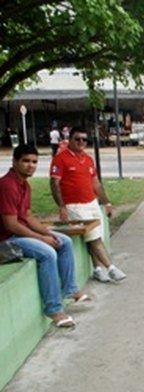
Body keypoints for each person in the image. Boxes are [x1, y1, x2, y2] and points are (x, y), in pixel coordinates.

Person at [0, 144, 92, 328]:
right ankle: (54, 309)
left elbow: (27, 216)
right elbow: (11, 224)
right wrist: (41, 239)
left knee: (63, 241)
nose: (30, 165)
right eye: (25, 161)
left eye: (34, 162)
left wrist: (47, 233)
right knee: (47, 253)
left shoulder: (24, 185)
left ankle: (70, 290)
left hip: (18, 233)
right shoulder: (7, 185)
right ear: (15, 162)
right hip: (6, 240)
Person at [50, 126, 127, 283]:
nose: (81, 142)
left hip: (91, 202)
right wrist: (62, 206)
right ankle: (111, 268)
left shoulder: (88, 159)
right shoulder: (60, 159)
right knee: (93, 238)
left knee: (96, 236)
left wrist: (106, 202)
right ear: (69, 140)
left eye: (84, 139)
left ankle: (97, 269)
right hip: (74, 206)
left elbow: (96, 183)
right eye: (77, 139)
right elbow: (54, 184)